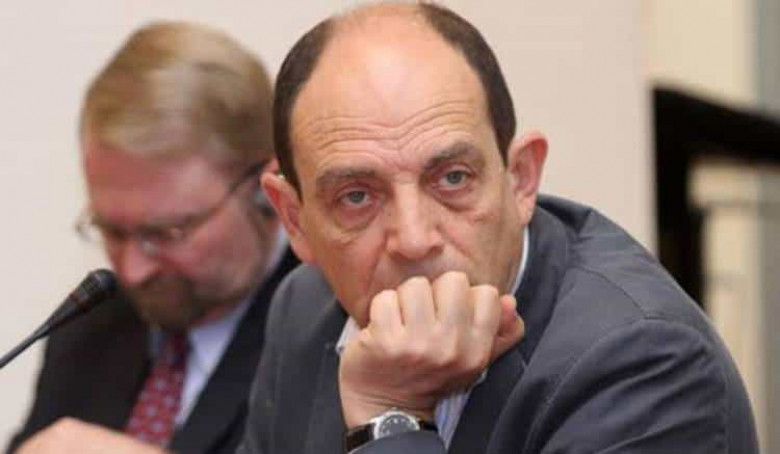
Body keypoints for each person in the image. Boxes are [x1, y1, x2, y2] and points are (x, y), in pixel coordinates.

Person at [237, 3, 759, 454]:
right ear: (295, 220)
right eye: (357, 197)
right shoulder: (305, 308)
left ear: (521, 179)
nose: (414, 240)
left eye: (453, 178)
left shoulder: (643, 364)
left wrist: (390, 415)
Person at [8, 21, 298, 454]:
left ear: (266, 191)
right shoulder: (90, 324)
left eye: (167, 232)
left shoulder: (330, 329)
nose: (132, 271)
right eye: (112, 230)